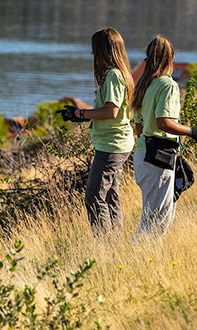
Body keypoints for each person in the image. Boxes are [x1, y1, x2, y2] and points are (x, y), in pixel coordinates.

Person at [59, 27, 135, 236]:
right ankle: (115, 242)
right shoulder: (119, 74)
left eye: (94, 49)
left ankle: (105, 245)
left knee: (94, 195)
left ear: (103, 50)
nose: (92, 53)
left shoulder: (112, 76)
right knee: (110, 194)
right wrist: (78, 114)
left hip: (112, 145)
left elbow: (111, 111)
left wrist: (81, 113)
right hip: (117, 142)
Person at [130, 35, 197, 238]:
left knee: (156, 216)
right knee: (156, 221)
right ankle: (137, 261)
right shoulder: (168, 85)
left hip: (144, 155)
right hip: (159, 157)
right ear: (170, 58)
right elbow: (164, 122)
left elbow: (139, 127)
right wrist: (191, 131)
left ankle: (141, 260)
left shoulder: (144, 85)